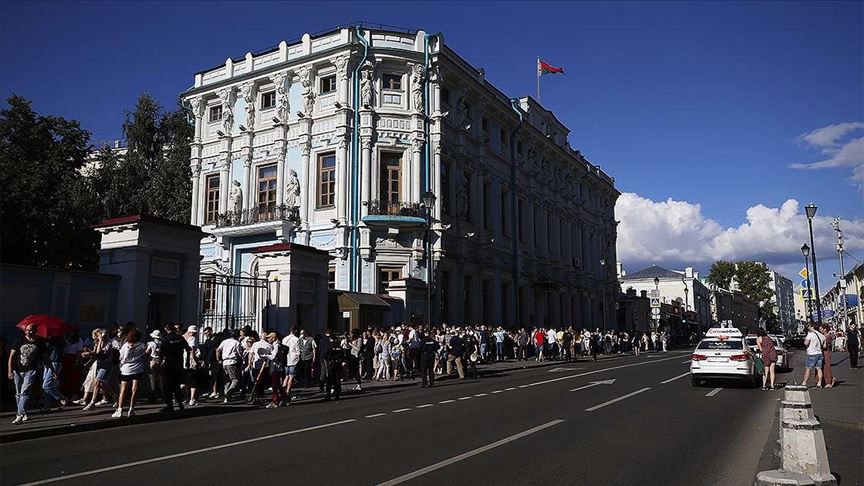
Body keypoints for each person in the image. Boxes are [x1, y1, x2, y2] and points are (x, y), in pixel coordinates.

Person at [8, 323, 55, 424]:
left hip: (30, 370)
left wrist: (52, 369)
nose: (29, 332)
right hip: (17, 370)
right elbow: (11, 356)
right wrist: (10, 370)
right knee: (18, 393)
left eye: (31, 330)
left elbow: (46, 357)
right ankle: (23, 412)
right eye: (27, 330)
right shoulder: (19, 340)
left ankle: (20, 414)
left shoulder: (39, 342)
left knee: (25, 392)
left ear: (35, 330)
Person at [114, 328, 146, 418]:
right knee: (134, 390)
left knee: (123, 390)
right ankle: (131, 409)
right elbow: (144, 355)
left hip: (126, 369)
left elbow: (121, 357)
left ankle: (120, 410)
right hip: (138, 369)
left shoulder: (125, 345)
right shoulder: (142, 345)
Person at [159, 323, 190, 412]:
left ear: (166, 328)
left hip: (169, 364)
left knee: (168, 386)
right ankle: (180, 403)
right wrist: (187, 360)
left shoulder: (165, 338)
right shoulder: (180, 337)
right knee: (177, 385)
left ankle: (170, 405)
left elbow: (162, 353)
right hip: (179, 364)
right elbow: (188, 349)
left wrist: (161, 363)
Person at [82, 329, 115, 411]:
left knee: (97, 382)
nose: (97, 337)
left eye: (99, 335)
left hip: (106, 365)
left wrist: (100, 341)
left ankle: (92, 403)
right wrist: (89, 354)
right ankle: (115, 396)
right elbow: (95, 354)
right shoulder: (96, 343)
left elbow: (99, 353)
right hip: (100, 365)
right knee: (102, 384)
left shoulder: (109, 344)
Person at [216, 330, 242, 403]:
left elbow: (218, 349)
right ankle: (229, 393)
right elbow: (239, 353)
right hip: (232, 362)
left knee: (227, 381)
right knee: (235, 380)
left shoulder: (224, 341)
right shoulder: (236, 342)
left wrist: (218, 359)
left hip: (224, 362)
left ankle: (226, 398)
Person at [801, 323, 826, 388]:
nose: (808, 327)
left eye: (809, 326)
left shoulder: (810, 334)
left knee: (808, 369)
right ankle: (819, 383)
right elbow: (824, 346)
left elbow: (806, 343)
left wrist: (806, 341)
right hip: (820, 353)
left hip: (812, 353)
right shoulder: (822, 335)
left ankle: (804, 383)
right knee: (819, 369)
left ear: (812, 327)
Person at [266, 332, 287, 408]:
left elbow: (273, 356)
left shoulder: (276, 345)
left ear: (273, 338)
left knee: (275, 384)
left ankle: (275, 400)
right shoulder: (274, 345)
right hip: (276, 366)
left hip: (276, 367)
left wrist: (265, 355)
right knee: (277, 384)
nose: (268, 339)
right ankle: (285, 398)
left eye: (269, 338)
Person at [281, 327, 301, 403]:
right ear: (295, 331)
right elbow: (298, 349)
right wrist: (299, 356)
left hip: (286, 359)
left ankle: (283, 390)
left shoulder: (285, 339)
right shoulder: (296, 339)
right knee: (291, 376)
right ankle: (288, 391)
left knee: (286, 376)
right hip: (293, 359)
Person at [146, 330, 162, 403]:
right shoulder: (161, 343)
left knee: (151, 379)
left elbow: (147, 352)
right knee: (158, 379)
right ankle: (159, 394)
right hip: (159, 361)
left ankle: (152, 396)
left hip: (152, 360)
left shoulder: (151, 343)